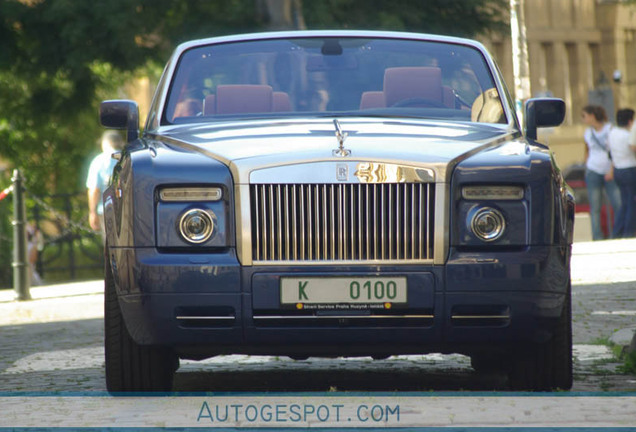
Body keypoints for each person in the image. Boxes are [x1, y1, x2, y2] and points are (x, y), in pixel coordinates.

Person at [581, 105, 621, 240]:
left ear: (592, 115)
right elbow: (587, 150)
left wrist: (611, 170)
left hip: (610, 171)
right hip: (593, 170)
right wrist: (586, 167)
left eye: (584, 116)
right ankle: (597, 236)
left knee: (617, 203)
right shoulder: (588, 133)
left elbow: (615, 151)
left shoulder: (610, 130)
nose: (583, 119)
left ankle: (617, 233)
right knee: (595, 206)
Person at [86, 130, 124, 240]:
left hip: (106, 210)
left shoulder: (98, 161)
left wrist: (92, 212)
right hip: (128, 208)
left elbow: (94, 189)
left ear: (105, 143)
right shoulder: (127, 158)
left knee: (110, 243)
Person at [607, 108, 636, 238]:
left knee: (624, 203)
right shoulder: (627, 135)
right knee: (631, 203)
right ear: (630, 121)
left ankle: (617, 231)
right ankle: (628, 232)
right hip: (629, 168)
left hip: (618, 169)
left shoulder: (612, 133)